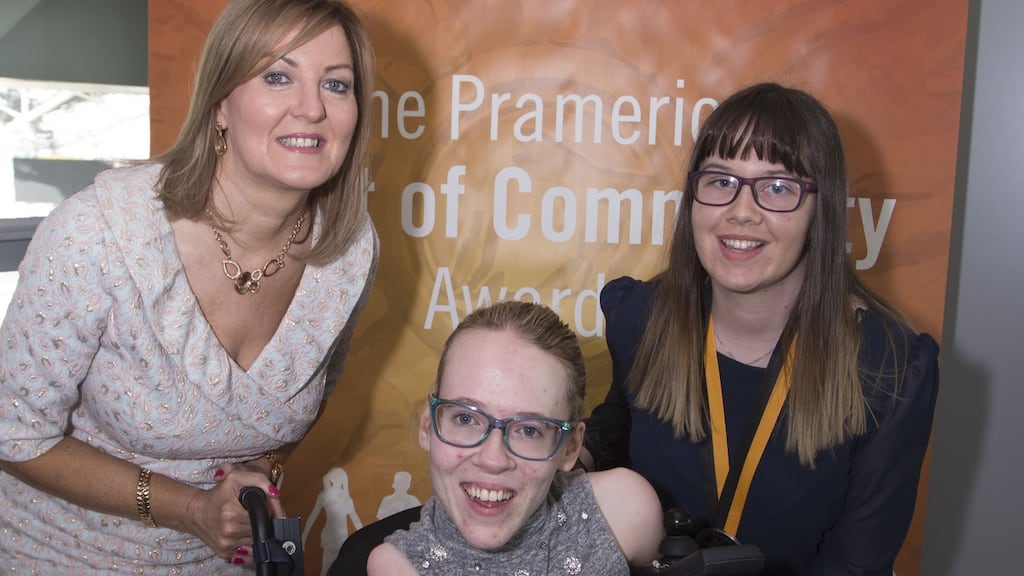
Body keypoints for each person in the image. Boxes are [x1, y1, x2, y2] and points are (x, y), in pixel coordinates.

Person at [0, 0, 377, 572]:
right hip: (61, 555)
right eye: (278, 76)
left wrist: (260, 471)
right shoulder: (96, 233)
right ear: (221, 104)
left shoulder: (351, 250)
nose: (312, 109)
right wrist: (188, 507)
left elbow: (308, 400)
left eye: (337, 85)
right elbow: (14, 435)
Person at [582, 82, 940, 575]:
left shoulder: (890, 371)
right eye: (721, 180)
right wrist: (574, 455)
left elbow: (855, 565)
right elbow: (619, 426)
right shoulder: (640, 318)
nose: (741, 211)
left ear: (822, 210)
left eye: (777, 187)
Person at [366, 301, 663, 575]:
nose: (493, 460)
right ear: (428, 427)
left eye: (528, 430)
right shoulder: (395, 568)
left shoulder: (625, 512)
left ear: (570, 447)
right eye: (466, 418)